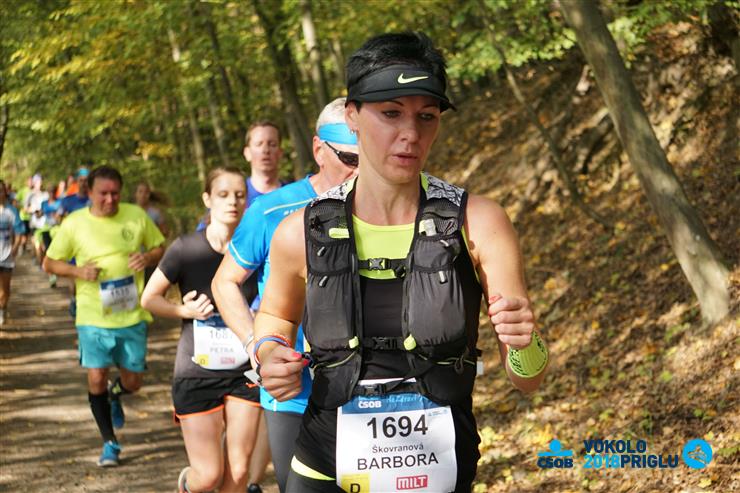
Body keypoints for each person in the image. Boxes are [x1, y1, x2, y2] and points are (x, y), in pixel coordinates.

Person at [252, 32, 549, 492]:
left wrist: (524, 344)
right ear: (352, 116)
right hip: (323, 466)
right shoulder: (301, 231)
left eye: (426, 117)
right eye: (391, 113)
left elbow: (528, 380)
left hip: (437, 471)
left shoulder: (478, 222)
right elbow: (275, 317)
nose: (411, 134)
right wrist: (270, 353)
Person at [212, 98, 359, 492]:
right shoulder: (271, 210)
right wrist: (256, 346)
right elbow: (224, 282)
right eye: (349, 158)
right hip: (294, 390)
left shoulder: (388, 208)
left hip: (370, 390)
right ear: (319, 150)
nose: (360, 170)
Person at [140, 167, 263, 493]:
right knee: (208, 476)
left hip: (244, 370)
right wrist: (185, 310)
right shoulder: (186, 248)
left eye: (239, 195)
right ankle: (186, 484)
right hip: (197, 370)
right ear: (208, 199)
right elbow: (149, 299)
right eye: (223, 195)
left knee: (239, 472)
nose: (232, 202)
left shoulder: (256, 247)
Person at [43, 165, 165, 467]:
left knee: (133, 382)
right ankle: (110, 442)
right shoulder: (74, 223)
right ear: (89, 192)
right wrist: (77, 271)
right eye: (103, 194)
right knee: (96, 376)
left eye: (115, 193)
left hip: (131, 314)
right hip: (92, 315)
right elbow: (50, 263)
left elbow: (159, 247)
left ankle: (115, 395)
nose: (110, 199)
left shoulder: (136, 215)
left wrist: (146, 257)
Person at [0, 180, 23, 326]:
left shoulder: (12, 211)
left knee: (5, 290)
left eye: (1, 190)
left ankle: (2, 309)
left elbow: (19, 233)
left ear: (5, 192)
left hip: (6, 257)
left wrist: (14, 249)